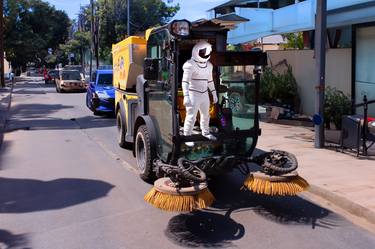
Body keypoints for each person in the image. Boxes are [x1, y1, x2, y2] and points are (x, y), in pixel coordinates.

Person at [182, 41, 218, 146]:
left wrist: (214, 93)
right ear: (196, 51)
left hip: (204, 93)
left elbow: (210, 81)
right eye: (202, 51)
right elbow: (185, 82)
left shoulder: (209, 65)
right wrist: (186, 96)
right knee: (191, 116)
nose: (205, 54)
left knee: (206, 114)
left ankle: (205, 132)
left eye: (206, 52)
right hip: (193, 93)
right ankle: (187, 136)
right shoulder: (189, 65)